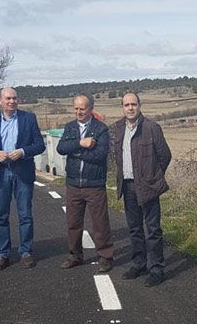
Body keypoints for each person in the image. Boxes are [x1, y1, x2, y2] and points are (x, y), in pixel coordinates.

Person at [0, 87, 46, 270]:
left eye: (14, 98)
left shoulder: (28, 119)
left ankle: (26, 252)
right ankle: (3, 254)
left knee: (25, 214)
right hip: (0, 172)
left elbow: (39, 145)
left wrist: (23, 152)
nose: (11, 101)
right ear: (0, 101)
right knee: (1, 216)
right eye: (7, 98)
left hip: (22, 171)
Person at [113, 92, 172, 287]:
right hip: (128, 185)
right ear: (122, 107)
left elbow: (165, 156)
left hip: (148, 186)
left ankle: (156, 269)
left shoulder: (151, 127)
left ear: (139, 106)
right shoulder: (118, 128)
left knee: (152, 230)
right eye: (126, 104)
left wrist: (153, 177)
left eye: (133, 104)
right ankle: (139, 264)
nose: (130, 108)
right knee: (134, 228)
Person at [56, 94, 113, 272]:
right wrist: (81, 143)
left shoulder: (101, 129)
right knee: (73, 223)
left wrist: (75, 151)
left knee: (100, 223)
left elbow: (100, 155)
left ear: (90, 109)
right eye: (76, 108)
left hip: (94, 184)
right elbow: (61, 148)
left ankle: (105, 257)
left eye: (82, 108)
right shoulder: (70, 127)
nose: (79, 112)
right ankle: (75, 255)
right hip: (73, 184)